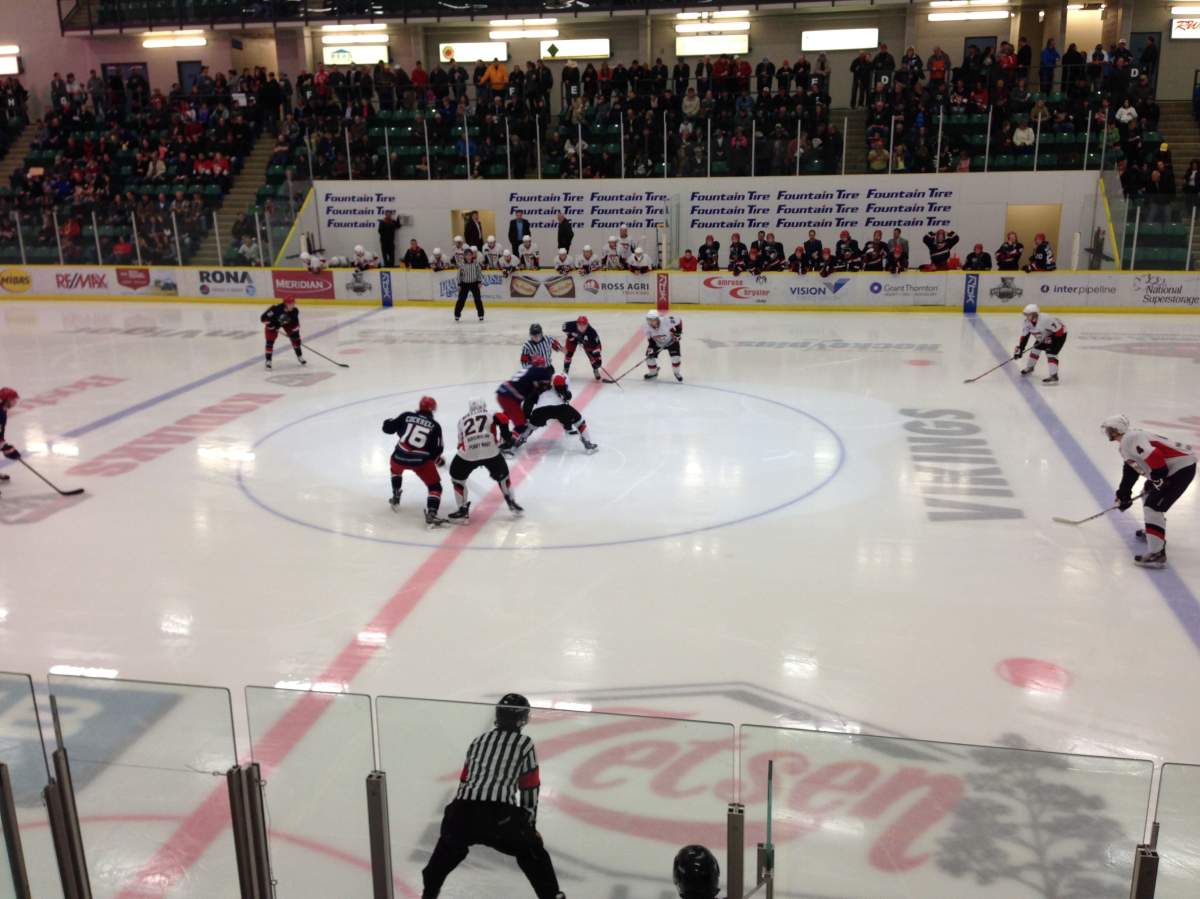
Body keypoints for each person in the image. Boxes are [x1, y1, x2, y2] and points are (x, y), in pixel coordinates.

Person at [420, 694, 565, 899]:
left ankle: (429, 893)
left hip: (462, 812)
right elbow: (529, 788)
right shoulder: (524, 744)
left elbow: (465, 780)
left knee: (443, 856)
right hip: (500, 819)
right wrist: (529, 827)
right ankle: (552, 896)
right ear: (522, 718)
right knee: (533, 854)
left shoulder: (478, 741)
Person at [1103, 414, 1196, 569]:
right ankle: (1154, 534)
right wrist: (1123, 494)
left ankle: (1157, 553)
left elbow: (1153, 454)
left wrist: (1159, 477)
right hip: (1174, 469)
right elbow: (1131, 470)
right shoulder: (1127, 442)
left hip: (1181, 469)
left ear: (1116, 430)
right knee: (1147, 492)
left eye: (1109, 430)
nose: (1107, 432)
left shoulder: (1130, 439)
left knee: (1153, 507)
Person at [446, 398, 522, 523]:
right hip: (491, 451)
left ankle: (462, 510)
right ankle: (511, 503)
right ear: (484, 405)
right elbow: (503, 418)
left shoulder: (461, 420)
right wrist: (507, 437)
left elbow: (460, 444)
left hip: (468, 454)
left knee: (457, 479)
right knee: (503, 477)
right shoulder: (491, 412)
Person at [382, 395, 446, 526]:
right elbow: (436, 451)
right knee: (435, 487)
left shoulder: (406, 416)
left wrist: (387, 422)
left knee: (395, 470)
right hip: (420, 462)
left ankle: (396, 495)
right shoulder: (435, 426)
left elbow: (388, 429)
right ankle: (432, 513)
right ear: (433, 409)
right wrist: (438, 460)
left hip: (398, 458)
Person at [525, 375, 598, 452]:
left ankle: (519, 440)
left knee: (531, 426)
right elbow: (568, 397)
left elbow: (528, 402)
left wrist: (527, 416)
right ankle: (587, 442)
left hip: (541, 409)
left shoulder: (540, 387)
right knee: (579, 421)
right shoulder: (562, 383)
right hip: (559, 407)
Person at [497, 358, 555, 446]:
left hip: (503, 392)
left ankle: (503, 438)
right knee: (521, 426)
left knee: (506, 417)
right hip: (509, 397)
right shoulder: (541, 372)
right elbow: (543, 387)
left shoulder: (528, 368)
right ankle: (507, 444)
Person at [1013, 303, 1066, 384]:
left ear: (1034, 314)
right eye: (1025, 315)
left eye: (1028, 315)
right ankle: (1030, 367)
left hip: (1059, 335)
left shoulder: (1046, 319)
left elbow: (1059, 330)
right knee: (1035, 349)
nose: (1026, 317)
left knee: (1051, 353)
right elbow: (1025, 336)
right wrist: (1020, 348)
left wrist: (1052, 340)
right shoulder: (1027, 322)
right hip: (1045, 335)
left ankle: (1054, 377)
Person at [260, 296, 305, 370]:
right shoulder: (275, 309)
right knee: (269, 341)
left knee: (295, 339)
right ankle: (268, 360)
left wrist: (295, 335)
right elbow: (263, 318)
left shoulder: (295, 311)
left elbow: (295, 324)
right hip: (274, 324)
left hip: (287, 323)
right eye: (290, 304)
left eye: (293, 303)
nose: (293, 305)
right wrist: (270, 325)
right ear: (285, 304)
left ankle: (299, 356)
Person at [643, 310, 683, 382]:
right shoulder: (646, 327)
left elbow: (679, 321)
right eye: (648, 320)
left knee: (676, 358)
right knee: (649, 359)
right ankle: (653, 373)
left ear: (657, 319)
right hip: (657, 343)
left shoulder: (666, 321)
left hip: (671, 342)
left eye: (652, 320)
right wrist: (651, 349)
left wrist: (678, 333)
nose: (650, 322)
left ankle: (677, 373)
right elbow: (650, 340)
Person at [562, 315, 603, 380]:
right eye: (579, 324)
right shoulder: (571, 325)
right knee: (568, 354)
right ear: (576, 324)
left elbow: (596, 346)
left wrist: (598, 359)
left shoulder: (592, 333)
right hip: (574, 340)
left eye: (583, 325)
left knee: (592, 357)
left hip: (587, 342)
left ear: (587, 325)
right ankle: (565, 370)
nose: (581, 326)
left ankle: (595, 369)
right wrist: (571, 338)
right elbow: (564, 328)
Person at [454, 247, 484, 322]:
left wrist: (479, 282)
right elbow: (459, 275)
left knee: (478, 299)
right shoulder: (462, 264)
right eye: (467, 255)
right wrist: (459, 284)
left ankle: (481, 315)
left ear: (472, 255)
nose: (468, 256)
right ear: (464, 256)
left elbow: (479, 273)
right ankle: (457, 315)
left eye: (470, 255)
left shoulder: (476, 263)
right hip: (464, 284)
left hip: (474, 284)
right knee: (461, 300)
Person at [0, 387, 19, 492]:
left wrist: (3, 444)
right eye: (12, 399)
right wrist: (3, 446)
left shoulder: (3, 410)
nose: (14, 402)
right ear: (6, 400)